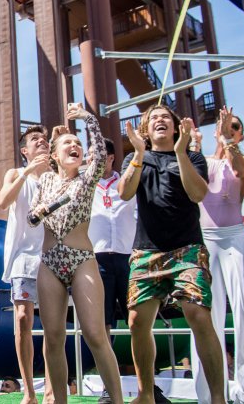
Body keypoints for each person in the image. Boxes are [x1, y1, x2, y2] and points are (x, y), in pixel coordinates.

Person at [118, 104, 226, 404]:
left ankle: (218, 397)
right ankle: (146, 394)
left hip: (187, 249)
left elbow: (198, 194)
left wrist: (181, 151)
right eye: (153, 118)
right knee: (137, 321)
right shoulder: (135, 157)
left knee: (197, 315)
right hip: (146, 252)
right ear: (146, 130)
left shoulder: (191, 157)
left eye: (166, 117)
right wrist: (139, 154)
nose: (160, 120)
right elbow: (125, 193)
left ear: (177, 127)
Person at [29, 103, 123, 404]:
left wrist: (88, 119)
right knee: (53, 337)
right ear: (55, 156)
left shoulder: (88, 177)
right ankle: (58, 400)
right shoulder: (45, 179)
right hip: (49, 263)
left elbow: (97, 150)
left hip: (82, 261)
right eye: (68, 143)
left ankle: (117, 399)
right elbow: (36, 213)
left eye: (78, 144)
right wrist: (38, 210)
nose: (75, 146)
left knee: (96, 335)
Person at [189, 107, 244, 403]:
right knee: (204, 314)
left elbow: (239, 170)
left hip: (236, 236)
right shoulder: (205, 160)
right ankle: (209, 390)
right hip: (205, 239)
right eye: (226, 126)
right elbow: (191, 179)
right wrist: (195, 144)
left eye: (235, 126)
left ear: (241, 133)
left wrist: (228, 140)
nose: (229, 128)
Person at [0, 124, 51, 404]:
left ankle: (52, 388)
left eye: (45, 140)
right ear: (24, 150)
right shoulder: (17, 174)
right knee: (22, 319)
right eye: (35, 140)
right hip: (24, 257)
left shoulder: (57, 176)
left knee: (54, 324)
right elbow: (3, 201)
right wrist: (29, 171)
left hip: (53, 256)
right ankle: (29, 391)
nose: (41, 143)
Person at [88, 137, 136, 345]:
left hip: (127, 257)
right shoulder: (85, 186)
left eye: (96, 155)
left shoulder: (126, 183)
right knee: (103, 320)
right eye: (89, 156)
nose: (90, 160)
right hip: (98, 259)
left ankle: (144, 373)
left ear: (110, 158)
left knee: (136, 318)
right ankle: (107, 373)